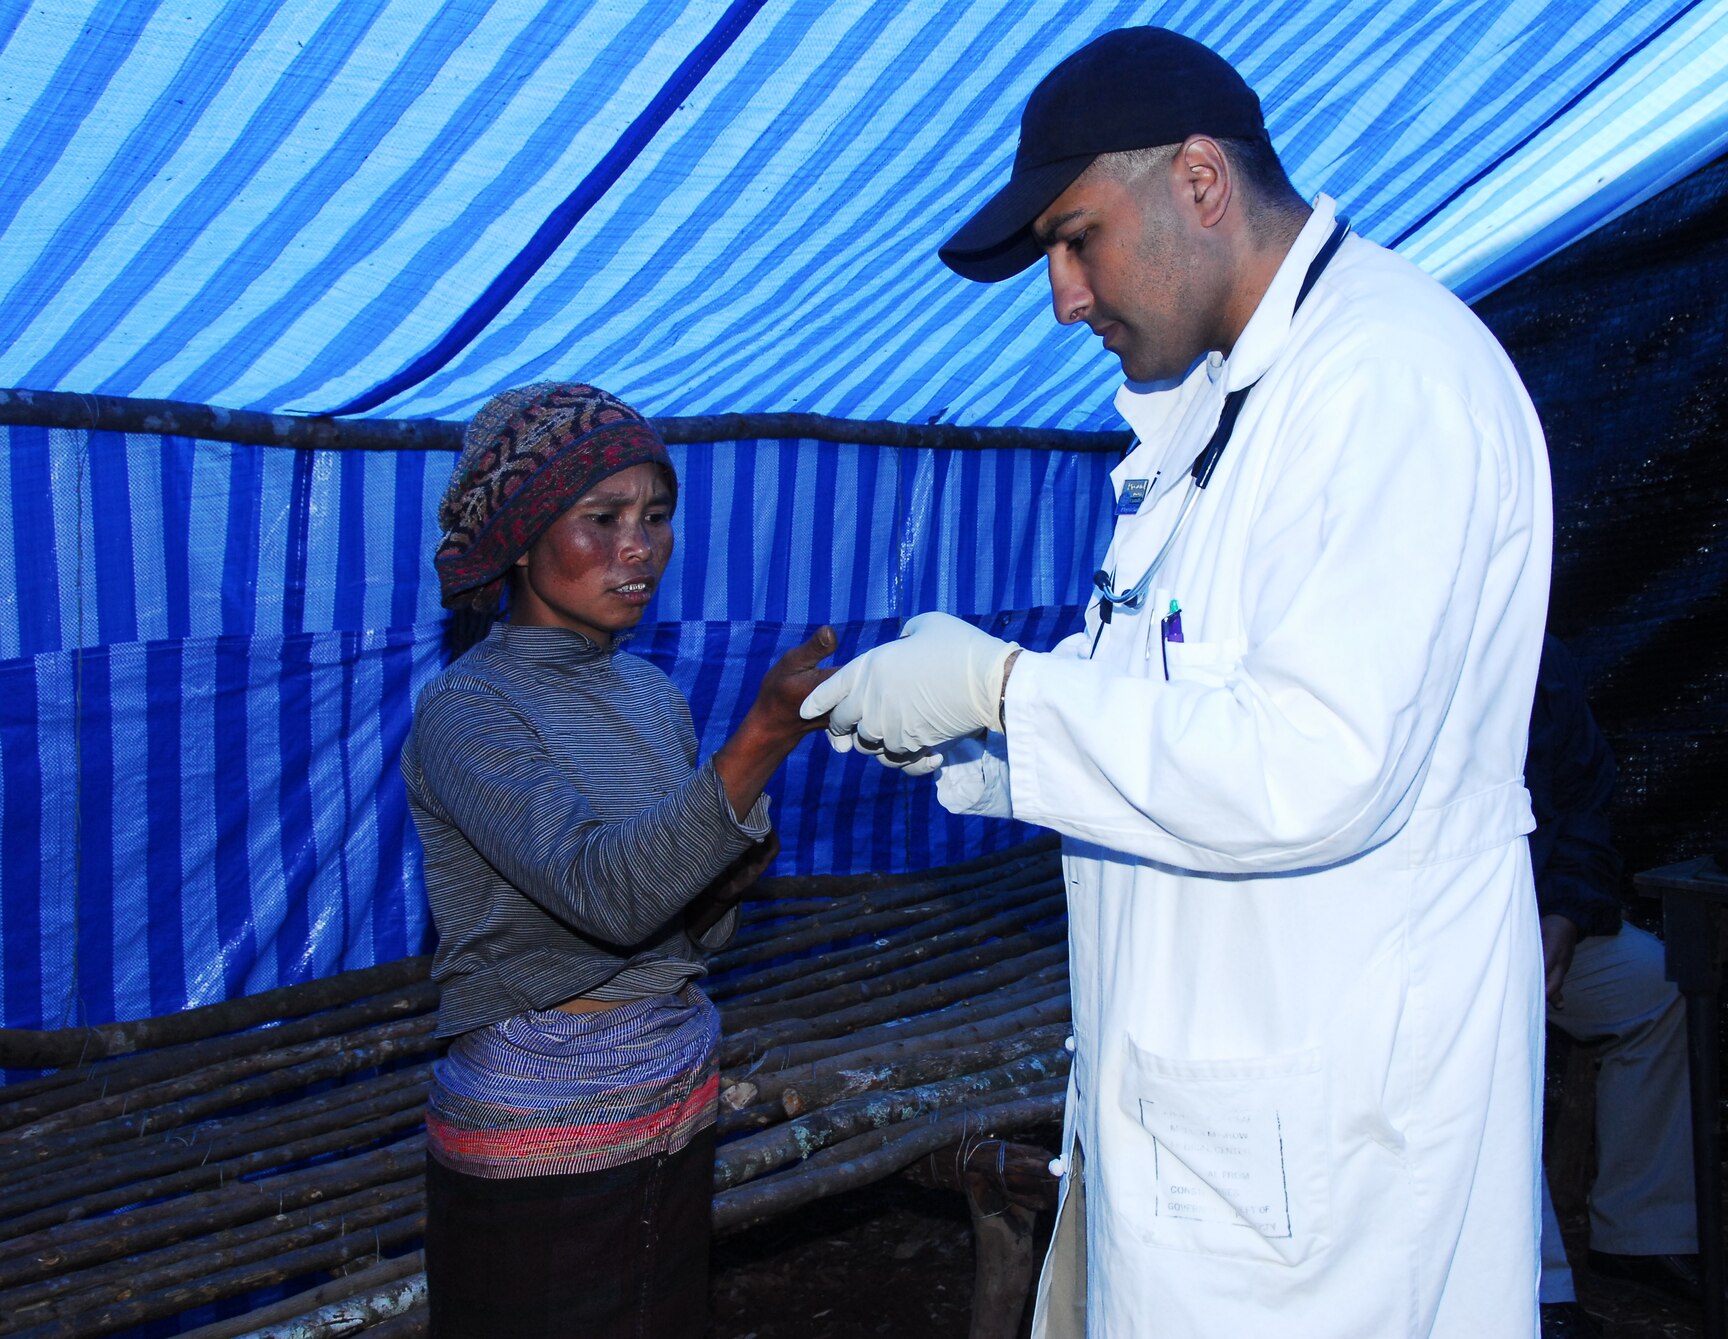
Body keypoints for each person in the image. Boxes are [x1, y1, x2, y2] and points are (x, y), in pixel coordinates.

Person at [801, 28, 1552, 1339]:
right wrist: (973, 737)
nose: (1063, 297)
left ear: (1201, 181)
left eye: (1077, 237)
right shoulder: (1225, 406)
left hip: (1323, 1153)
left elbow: (1318, 763)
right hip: (1208, 1119)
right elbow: (1175, 684)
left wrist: (1005, 687)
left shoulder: (1387, 380)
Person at [401, 382, 834, 1338]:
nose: (639, 547)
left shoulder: (651, 698)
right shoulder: (468, 711)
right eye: (602, 518)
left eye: (656, 516)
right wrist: (760, 740)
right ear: (519, 536)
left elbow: (695, 930)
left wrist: (737, 846)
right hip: (540, 1129)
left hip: (669, 1096)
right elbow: (607, 896)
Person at [1526, 636, 1728, 1338]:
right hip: (1440, 939)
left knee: (1657, 989)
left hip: (1539, 917)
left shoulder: (1541, 652)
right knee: (1494, 1040)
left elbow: (1587, 796)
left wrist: (1565, 915)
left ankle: (1642, 1235)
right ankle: (1535, 1295)